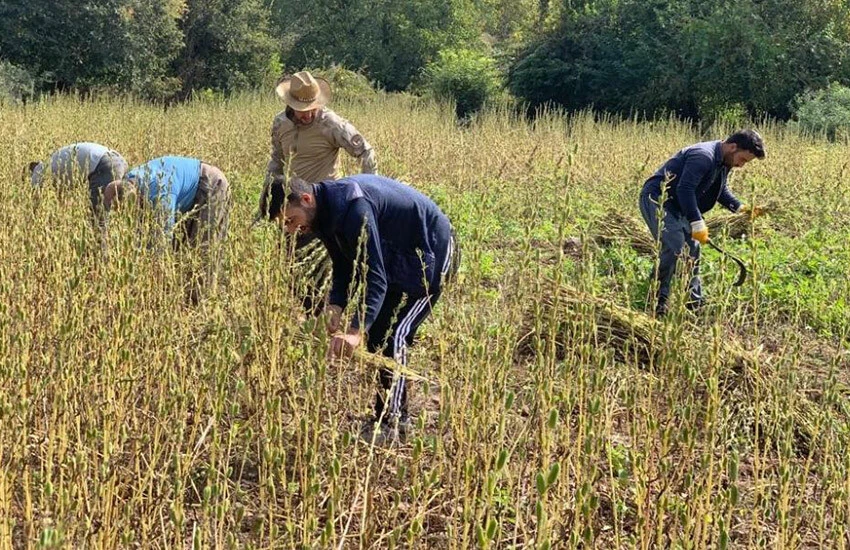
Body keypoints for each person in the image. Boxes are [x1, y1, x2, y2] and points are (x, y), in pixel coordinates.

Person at [264, 174, 459, 445]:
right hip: (398, 254)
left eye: (290, 220)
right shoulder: (323, 214)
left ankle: (395, 422)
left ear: (306, 199)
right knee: (378, 332)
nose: (289, 229)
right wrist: (335, 305)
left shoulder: (355, 208)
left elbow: (374, 274)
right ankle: (386, 415)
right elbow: (345, 264)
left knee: (394, 333)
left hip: (432, 251)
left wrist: (355, 332)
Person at [639, 130, 766, 316]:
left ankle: (694, 302)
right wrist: (697, 221)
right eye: (743, 160)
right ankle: (658, 301)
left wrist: (741, 208)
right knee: (675, 246)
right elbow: (685, 189)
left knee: (693, 250)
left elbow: (720, 190)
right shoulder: (703, 156)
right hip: (658, 199)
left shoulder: (723, 161)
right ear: (733, 147)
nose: (741, 165)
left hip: (679, 204)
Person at [103, 156, 232, 301]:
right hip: (184, 192)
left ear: (136, 199)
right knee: (179, 251)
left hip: (211, 184)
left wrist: (148, 285)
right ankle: (179, 295)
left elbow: (161, 243)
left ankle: (201, 305)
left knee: (204, 250)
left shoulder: (160, 192)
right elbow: (142, 235)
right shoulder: (129, 182)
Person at [257, 70, 377, 217]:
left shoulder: (331, 124)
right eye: (302, 110)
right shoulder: (280, 123)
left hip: (326, 203)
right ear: (291, 104)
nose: (307, 115)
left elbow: (366, 152)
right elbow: (277, 161)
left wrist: (369, 195)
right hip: (293, 205)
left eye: (312, 108)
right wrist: (266, 200)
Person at [27, 142, 128, 213]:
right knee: (120, 210)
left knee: (98, 217)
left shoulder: (39, 171)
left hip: (103, 164)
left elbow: (35, 203)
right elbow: (64, 200)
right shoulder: (55, 162)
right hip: (118, 160)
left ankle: (100, 243)